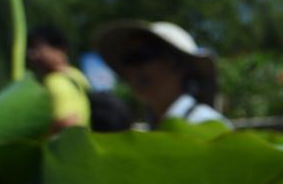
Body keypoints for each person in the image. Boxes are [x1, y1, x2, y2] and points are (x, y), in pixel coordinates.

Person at [92, 20, 229, 128]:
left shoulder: (205, 124)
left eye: (141, 56)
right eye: (127, 61)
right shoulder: (152, 129)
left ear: (176, 62)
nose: (132, 69)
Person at [26, 26, 91, 129]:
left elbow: (69, 123)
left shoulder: (55, 82)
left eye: (36, 48)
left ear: (59, 48)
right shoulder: (77, 75)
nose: (31, 55)